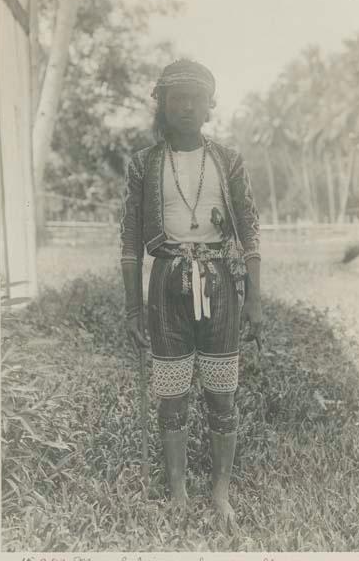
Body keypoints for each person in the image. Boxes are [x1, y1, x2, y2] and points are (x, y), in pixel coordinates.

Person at [119, 59, 262, 526]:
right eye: (175, 98)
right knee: (171, 395)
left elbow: (250, 232)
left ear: (208, 107)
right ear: (161, 105)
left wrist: (254, 300)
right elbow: (129, 241)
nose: (185, 106)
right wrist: (132, 307)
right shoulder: (143, 163)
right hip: (166, 285)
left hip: (220, 282)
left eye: (195, 99)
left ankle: (221, 492)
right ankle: (178, 492)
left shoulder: (228, 159)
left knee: (222, 394)